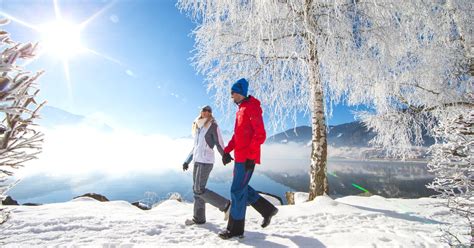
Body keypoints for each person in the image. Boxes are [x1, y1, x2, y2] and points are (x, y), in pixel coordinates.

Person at [219, 78, 278, 239]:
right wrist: (227, 150)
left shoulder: (252, 107)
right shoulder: (240, 109)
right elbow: (237, 135)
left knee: (237, 191)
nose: (232, 96)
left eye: (234, 93)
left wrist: (251, 156)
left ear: (241, 93)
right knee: (241, 188)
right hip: (239, 157)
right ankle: (267, 210)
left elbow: (260, 134)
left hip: (247, 159)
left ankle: (236, 229)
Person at [183, 105, 231, 225]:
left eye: (209, 111)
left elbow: (219, 142)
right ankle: (198, 219)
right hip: (197, 161)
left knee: (199, 189)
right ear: (201, 112)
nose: (206, 112)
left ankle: (226, 205)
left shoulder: (213, 125)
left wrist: (224, 154)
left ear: (211, 113)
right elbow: (195, 147)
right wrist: (187, 161)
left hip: (206, 162)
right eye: (204, 110)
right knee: (196, 190)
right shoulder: (198, 126)